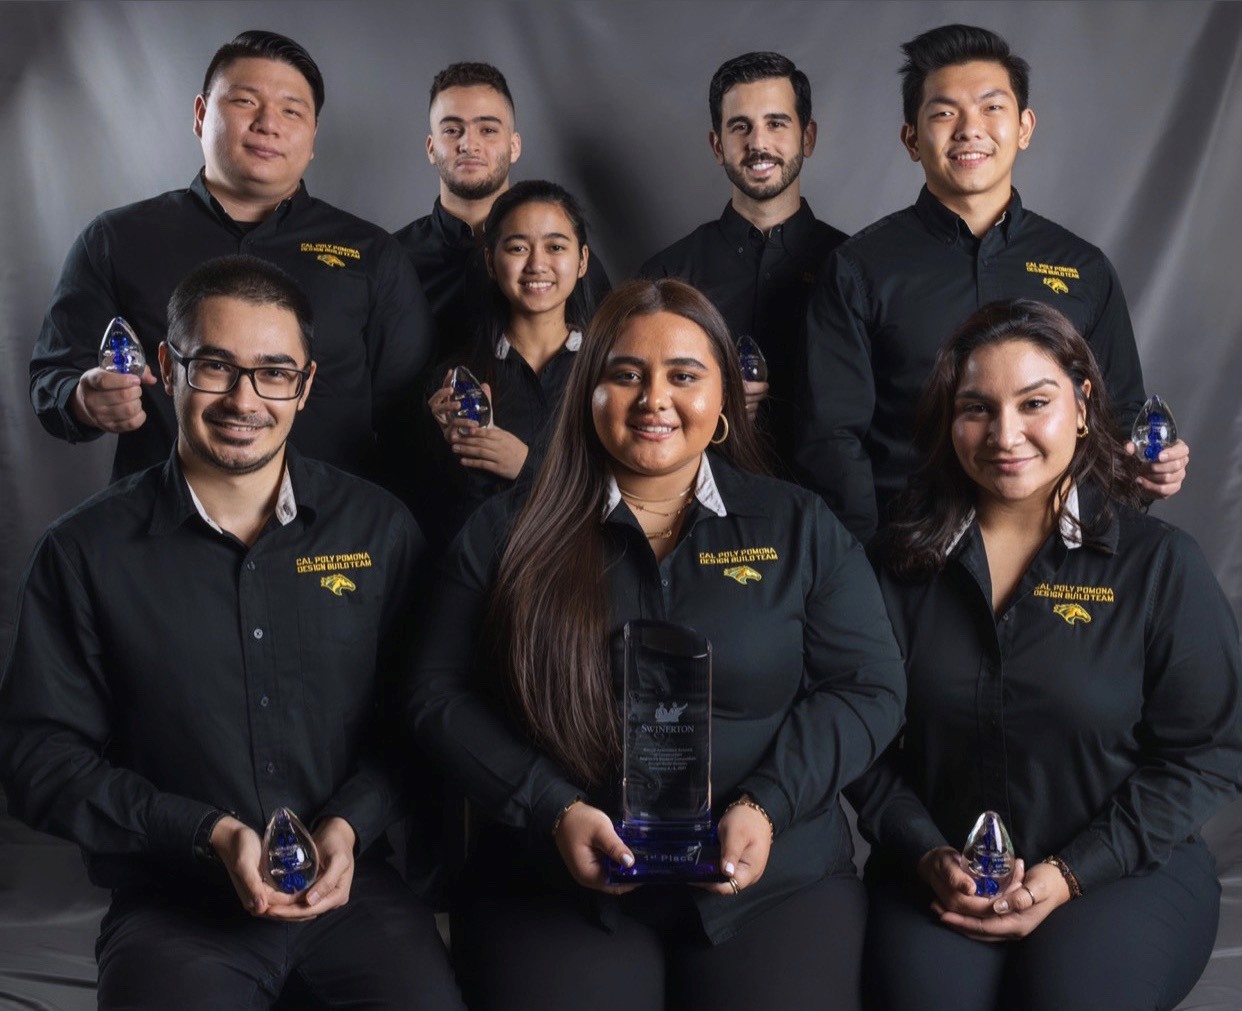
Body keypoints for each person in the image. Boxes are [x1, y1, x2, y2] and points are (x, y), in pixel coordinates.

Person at [408, 278, 906, 1010]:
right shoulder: (505, 534)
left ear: (724, 399)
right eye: (625, 374)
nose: (653, 399)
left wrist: (766, 806)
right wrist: (550, 807)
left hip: (769, 880)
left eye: (683, 374)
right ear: (589, 394)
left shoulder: (799, 526)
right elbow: (433, 695)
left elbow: (871, 686)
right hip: (554, 876)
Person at [1, 256, 462, 1010]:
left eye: (273, 372)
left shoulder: (378, 529)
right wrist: (204, 832)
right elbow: (36, 757)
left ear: (306, 385)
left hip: (353, 891)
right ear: (166, 366)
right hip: (173, 905)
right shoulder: (84, 551)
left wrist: (351, 823)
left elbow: (422, 720)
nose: (245, 399)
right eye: (216, 367)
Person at [849, 299, 1241, 1011]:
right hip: (943, 874)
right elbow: (863, 743)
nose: (1006, 434)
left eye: (1035, 403)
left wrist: (1068, 872)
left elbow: (1209, 753)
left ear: (1085, 406)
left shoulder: (1159, 567)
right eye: (977, 408)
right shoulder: (898, 566)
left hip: (1127, 870)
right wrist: (928, 854)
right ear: (950, 418)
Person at [796, 24, 1190, 542]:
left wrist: (1146, 471)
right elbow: (832, 438)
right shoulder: (859, 268)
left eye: (991, 108)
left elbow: (1117, 418)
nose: (969, 129)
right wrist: (867, 570)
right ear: (911, 138)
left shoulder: (1083, 267)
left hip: (1057, 561)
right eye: (943, 113)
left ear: (1025, 127)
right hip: (909, 557)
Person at [29, 30, 432, 498]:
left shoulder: (372, 253)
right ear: (201, 115)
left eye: (291, 110)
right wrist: (81, 399)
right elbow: (52, 375)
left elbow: (409, 417)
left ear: (313, 136)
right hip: (159, 529)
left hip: (328, 541)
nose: (268, 124)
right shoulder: (117, 239)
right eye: (245, 102)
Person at [640, 52, 846, 469]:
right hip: (698, 507)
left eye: (776, 123)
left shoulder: (853, 266)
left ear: (808, 137)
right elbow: (642, 399)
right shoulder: (667, 274)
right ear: (718, 145)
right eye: (740, 127)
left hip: (826, 512)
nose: (758, 143)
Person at [395, 61, 610, 361]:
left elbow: (603, 364)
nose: (469, 144)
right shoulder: (393, 261)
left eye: (487, 129)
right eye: (453, 130)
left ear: (514, 146)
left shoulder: (567, 262)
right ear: (431, 148)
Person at [425, 179, 597, 534]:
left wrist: (526, 465)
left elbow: (632, 489)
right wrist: (439, 441)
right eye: (518, 248)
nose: (537, 264)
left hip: (588, 573)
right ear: (491, 261)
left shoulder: (612, 370)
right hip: (483, 577)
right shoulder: (456, 381)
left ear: (582, 261)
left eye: (555, 246)